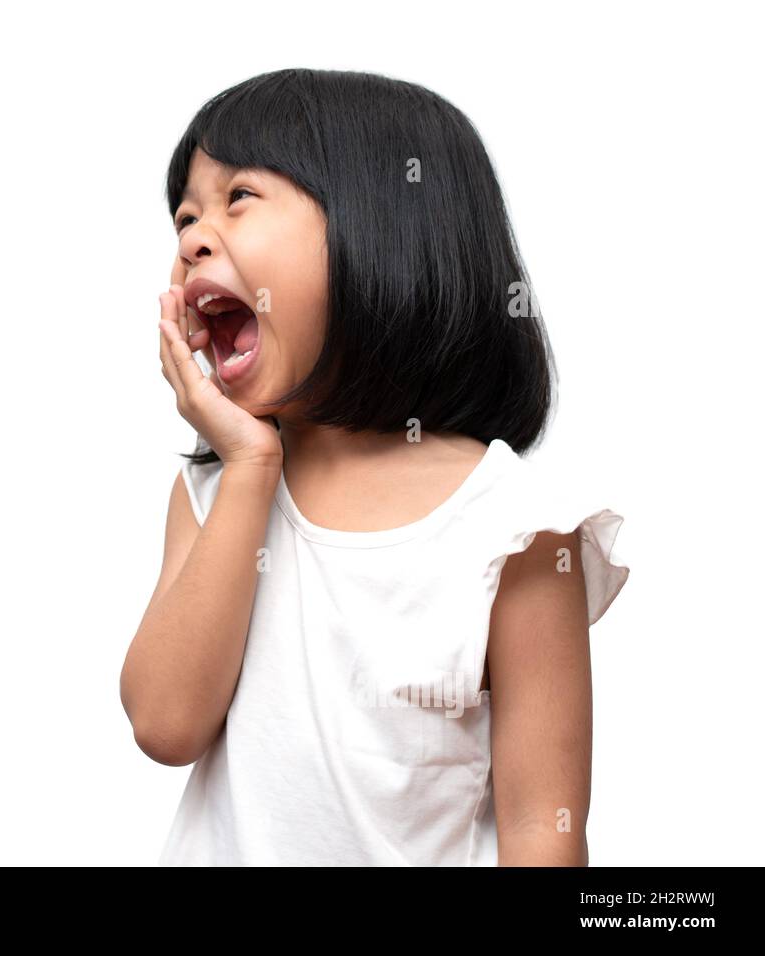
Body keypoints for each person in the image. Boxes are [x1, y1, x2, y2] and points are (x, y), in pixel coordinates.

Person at [120, 68, 630, 866]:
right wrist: (251, 463)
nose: (191, 238)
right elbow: (164, 724)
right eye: (185, 214)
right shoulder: (211, 496)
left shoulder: (515, 530)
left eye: (238, 198)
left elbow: (542, 828)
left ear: (382, 229)